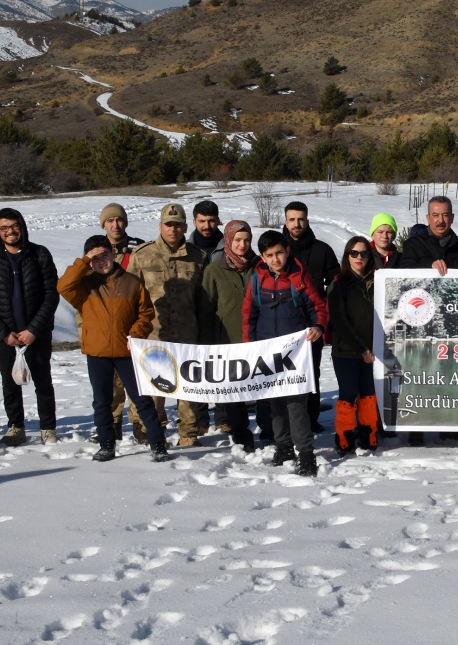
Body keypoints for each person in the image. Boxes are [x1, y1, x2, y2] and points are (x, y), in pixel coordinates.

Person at [56, 235, 170, 463]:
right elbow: (63, 286)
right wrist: (83, 261)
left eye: (104, 255)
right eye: (95, 258)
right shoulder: (84, 285)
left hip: (127, 351)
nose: (101, 262)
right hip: (98, 353)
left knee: (142, 400)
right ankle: (107, 444)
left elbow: (146, 313)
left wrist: (135, 334)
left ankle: (157, 444)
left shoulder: (131, 282)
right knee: (102, 401)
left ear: (113, 254)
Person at [245, 230, 327, 477]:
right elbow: (248, 316)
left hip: (295, 357)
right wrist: (249, 347)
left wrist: (318, 327)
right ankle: (283, 446)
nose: (275, 259)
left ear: (287, 250)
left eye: (279, 252)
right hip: (268, 355)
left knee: (295, 405)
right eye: (269, 255)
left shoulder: (299, 277)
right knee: (275, 404)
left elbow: (319, 308)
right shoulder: (257, 280)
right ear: (262, 256)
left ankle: (305, 453)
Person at [130, 204, 213, 447]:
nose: (173, 229)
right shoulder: (142, 255)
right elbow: (130, 297)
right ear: (160, 226)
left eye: (178, 225)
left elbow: (204, 299)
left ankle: (188, 434)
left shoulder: (199, 257)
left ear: (185, 227)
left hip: (187, 334)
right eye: (169, 224)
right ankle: (152, 432)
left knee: (187, 389)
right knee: (155, 388)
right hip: (153, 335)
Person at [0, 208, 59, 446]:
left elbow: (51, 295)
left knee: (43, 380)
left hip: (36, 334)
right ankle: (16, 427)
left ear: (21, 227)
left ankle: (48, 427)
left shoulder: (40, 255)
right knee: (9, 382)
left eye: (14, 226)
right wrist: (2, 333)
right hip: (7, 336)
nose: (10, 231)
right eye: (4, 228)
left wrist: (34, 329)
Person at [282, 201, 340, 433]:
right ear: (285, 221)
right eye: (292, 219)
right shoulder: (278, 250)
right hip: (283, 321)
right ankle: (284, 420)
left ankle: (311, 417)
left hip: (312, 323)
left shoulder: (322, 250)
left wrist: (324, 306)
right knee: (283, 372)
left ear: (307, 220)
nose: (297, 224)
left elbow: (335, 282)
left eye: (301, 219)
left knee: (311, 371)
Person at [201, 220, 258, 451]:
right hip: (227, 343)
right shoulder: (214, 270)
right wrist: (207, 344)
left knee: (261, 390)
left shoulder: (259, 266)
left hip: (257, 341)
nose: (242, 245)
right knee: (234, 394)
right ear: (228, 240)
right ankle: (240, 435)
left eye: (246, 240)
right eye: (237, 240)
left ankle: (269, 431)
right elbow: (205, 309)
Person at [328, 235, 380, 457]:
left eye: (364, 253)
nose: (359, 257)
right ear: (347, 256)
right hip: (347, 351)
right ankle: (344, 437)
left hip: (373, 350)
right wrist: (361, 348)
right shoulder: (339, 283)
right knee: (348, 395)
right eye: (354, 253)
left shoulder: (378, 282)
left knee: (369, 395)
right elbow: (339, 320)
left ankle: (369, 434)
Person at [98, 203, 144, 441]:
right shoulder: (95, 250)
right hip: (105, 323)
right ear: (103, 224)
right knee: (110, 382)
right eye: (110, 221)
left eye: (119, 220)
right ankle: (112, 423)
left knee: (137, 378)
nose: (115, 225)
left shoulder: (139, 247)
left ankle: (139, 423)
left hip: (132, 317)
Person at [401, 196, 458, 274]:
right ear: (428, 218)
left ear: (452, 218)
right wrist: (429, 266)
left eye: (445, 215)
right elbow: (405, 273)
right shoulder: (413, 245)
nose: (441, 220)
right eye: (435, 215)